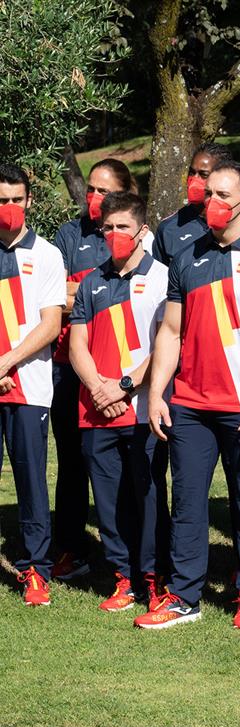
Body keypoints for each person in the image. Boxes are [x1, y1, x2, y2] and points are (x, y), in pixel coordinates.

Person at [136, 160, 240, 630]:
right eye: (209, 195)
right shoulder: (186, 258)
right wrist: (157, 393)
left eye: (224, 196)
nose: (213, 203)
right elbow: (170, 331)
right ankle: (184, 596)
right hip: (189, 404)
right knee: (187, 500)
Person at [68, 192, 169, 612]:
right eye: (107, 228)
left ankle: (153, 576)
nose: (114, 235)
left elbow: (167, 344)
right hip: (96, 410)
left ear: (142, 230)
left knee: (147, 496)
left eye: (122, 227)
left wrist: (125, 386)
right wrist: (98, 388)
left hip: (144, 408)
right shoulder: (91, 281)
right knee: (107, 501)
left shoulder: (164, 277)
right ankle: (122, 579)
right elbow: (77, 345)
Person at [50, 157, 137, 581]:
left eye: (105, 190)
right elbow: (57, 296)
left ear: (125, 193)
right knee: (72, 462)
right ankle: (71, 546)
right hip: (72, 366)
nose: (95, 197)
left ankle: (135, 554)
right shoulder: (70, 233)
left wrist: (78, 291)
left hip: (128, 375)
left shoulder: (140, 237)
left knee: (130, 466)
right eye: (92, 189)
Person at [0, 164, 67, 607]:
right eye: (1, 200)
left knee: (30, 481)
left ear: (29, 201)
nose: (9, 209)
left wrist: (5, 362)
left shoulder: (45, 255)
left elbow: (50, 325)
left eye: (15, 200)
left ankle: (35, 570)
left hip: (28, 386)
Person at [152, 142, 233, 268]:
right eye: (191, 172)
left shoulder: (239, 223)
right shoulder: (168, 229)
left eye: (203, 175)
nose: (194, 180)